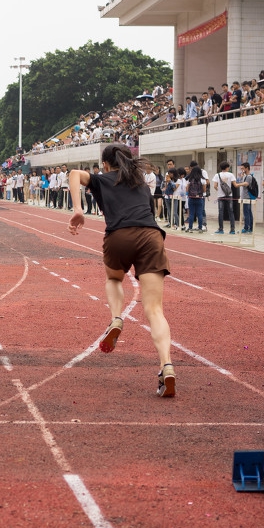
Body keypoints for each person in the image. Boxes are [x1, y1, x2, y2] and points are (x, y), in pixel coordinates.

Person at [67, 143, 175, 397]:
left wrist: (78, 210)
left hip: (119, 236)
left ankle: (117, 318)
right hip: (151, 237)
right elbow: (148, 213)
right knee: (155, 310)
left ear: (105, 164)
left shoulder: (102, 179)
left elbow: (73, 174)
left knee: (114, 278)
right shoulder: (142, 185)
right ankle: (166, 366)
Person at [214, 162, 237, 234]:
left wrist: (219, 190)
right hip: (229, 195)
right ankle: (232, 229)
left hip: (220, 196)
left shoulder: (217, 175)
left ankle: (221, 229)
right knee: (231, 212)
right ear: (227, 167)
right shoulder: (231, 175)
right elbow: (235, 185)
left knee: (221, 212)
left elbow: (215, 186)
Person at [235, 163, 258, 233]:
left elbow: (246, 184)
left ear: (247, 168)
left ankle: (246, 227)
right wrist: (242, 177)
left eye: (243, 168)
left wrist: (237, 185)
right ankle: (250, 228)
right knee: (248, 212)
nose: (242, 170)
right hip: (245, 196)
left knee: (246, 213)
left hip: (247, 197)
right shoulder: (245, 176)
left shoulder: (249, 176)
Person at [186, 165, 206, 232]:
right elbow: (204, 189)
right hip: (199, 198)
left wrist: (187, 194)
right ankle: (200, 228)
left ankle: (190, 228)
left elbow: (187, 188)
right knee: (199, 214)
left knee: (191, 213)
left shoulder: (190, 179)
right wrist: (203, 195)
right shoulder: (202, 179)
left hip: (191, 198)